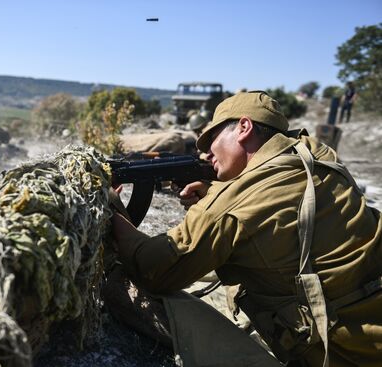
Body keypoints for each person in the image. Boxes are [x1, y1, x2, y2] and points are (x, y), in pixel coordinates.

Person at [108, 91, 382, 366]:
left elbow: (153, 268)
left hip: (344, 357)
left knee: (124, 285)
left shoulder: (234, 204)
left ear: (243, 127)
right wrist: (214, 190)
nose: (206, 153)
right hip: (369, 331)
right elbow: (274, 206)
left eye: (212, 139)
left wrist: (113, 208)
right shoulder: (318, 155)